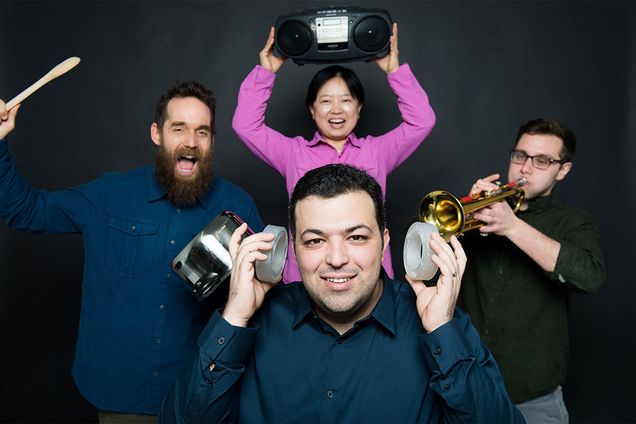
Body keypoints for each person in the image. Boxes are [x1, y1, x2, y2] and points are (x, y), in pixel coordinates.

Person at [159, 164, 523, 423]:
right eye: (315, 240)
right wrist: (234, 318)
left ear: (385, 244)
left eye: (357, 237)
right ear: (292, 251)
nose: (336, 259)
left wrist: (442, 331)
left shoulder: (441, 322)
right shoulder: (251, 318)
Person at [0, 81, 263, 422]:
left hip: (203, 397)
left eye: (202, 131)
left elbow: (261, 299)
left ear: (212, 140)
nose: (191, 142)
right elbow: (27, 211)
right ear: (157, 133)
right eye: (178, 129)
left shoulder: (238, 207)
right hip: (123, 397)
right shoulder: (110, 194)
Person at [232, 23, 436, 283]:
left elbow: (422, 121)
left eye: (346, 100)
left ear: (359, 108)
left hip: (369, 279)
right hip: (306, 281)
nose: (336, 110)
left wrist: (394, 71)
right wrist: (266, 71)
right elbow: (245, 124)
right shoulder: (293, 153)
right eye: (326, 101)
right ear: (312, 109)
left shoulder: (377, 151)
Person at [458, 118, 605, 423]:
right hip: (467, 386)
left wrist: (512, 226)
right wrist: (465, 211)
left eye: (541, 161)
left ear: (562, 170)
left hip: (532, 397)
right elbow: (422, 266)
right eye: (520, 155)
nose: (525, 168)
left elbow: (589, 277)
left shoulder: (574, 222)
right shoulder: (480, 211)